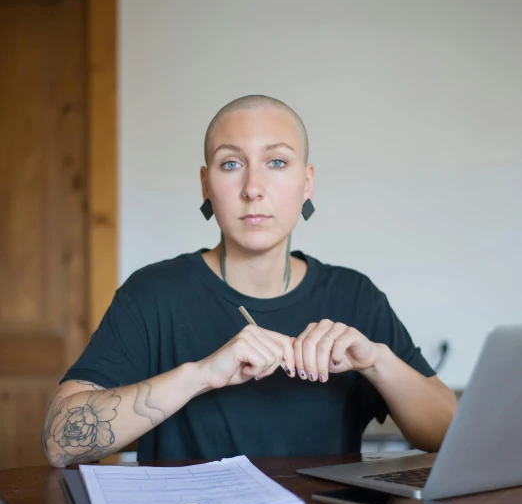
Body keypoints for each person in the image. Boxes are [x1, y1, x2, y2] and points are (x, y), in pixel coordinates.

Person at [42, 95, 457, 468]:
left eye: (276, 162)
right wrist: (201, 375)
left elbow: (448, 435)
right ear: (206, 186)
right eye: (231, 164)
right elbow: (60, 443)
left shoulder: (354, 296)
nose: (253, 188)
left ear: (307, 183)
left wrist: (377, 362)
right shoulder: (153, 293)